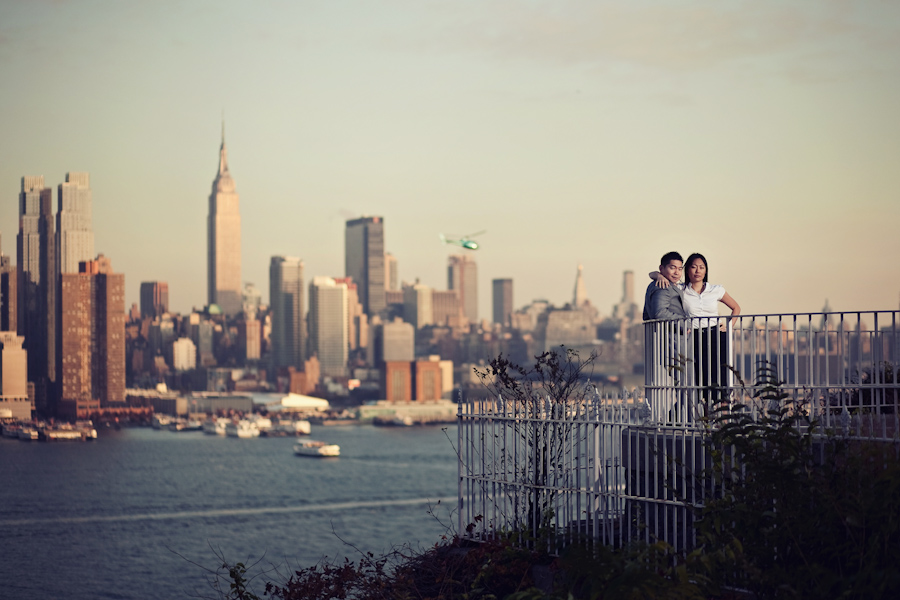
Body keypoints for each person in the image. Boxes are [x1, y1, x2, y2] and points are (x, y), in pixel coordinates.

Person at [651, 253, 741, 410]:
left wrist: (729, 325)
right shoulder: (681, 289)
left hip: (716, 336)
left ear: (706, 270)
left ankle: (724, 421)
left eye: (702, 267)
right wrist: (658, 275)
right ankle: (705, 417)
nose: (698, 271)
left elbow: (736, 308)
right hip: (693, 337)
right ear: (687, 270)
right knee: (699, 378)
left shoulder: (716, 289)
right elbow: (653, 274)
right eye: (693, 267)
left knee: (720, 377)